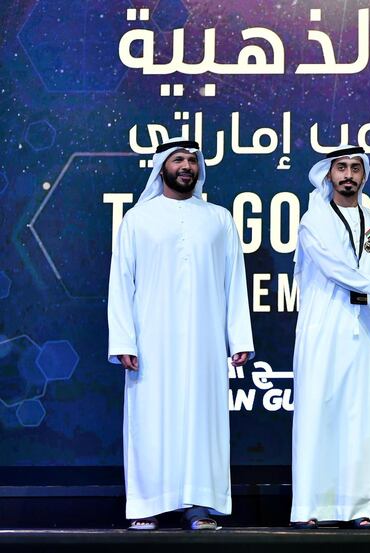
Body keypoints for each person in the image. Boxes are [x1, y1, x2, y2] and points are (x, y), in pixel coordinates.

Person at [107, 139, 254, 531]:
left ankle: (199, 506)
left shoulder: (219, 218)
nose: (186, 166)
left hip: (206, 342)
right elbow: (122, 282)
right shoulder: (138, 219)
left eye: (192, 160)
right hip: (151, 340)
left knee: (202, 420)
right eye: (178, 160)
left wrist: (238, 338)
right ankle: (146, 505)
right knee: (150, 417)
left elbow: (234, 281)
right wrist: (123, 340)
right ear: (162, 168)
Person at [291, 145, 370, 529]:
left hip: (364, 327)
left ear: (364, 176)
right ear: (328, 175)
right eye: (341, 168)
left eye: (355, 168)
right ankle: (310, 508)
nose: (348, 175)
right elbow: (338, 269)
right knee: (319, 411)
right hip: (323, 327)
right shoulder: (313, 220)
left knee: (360, 415)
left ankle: (362, 507)